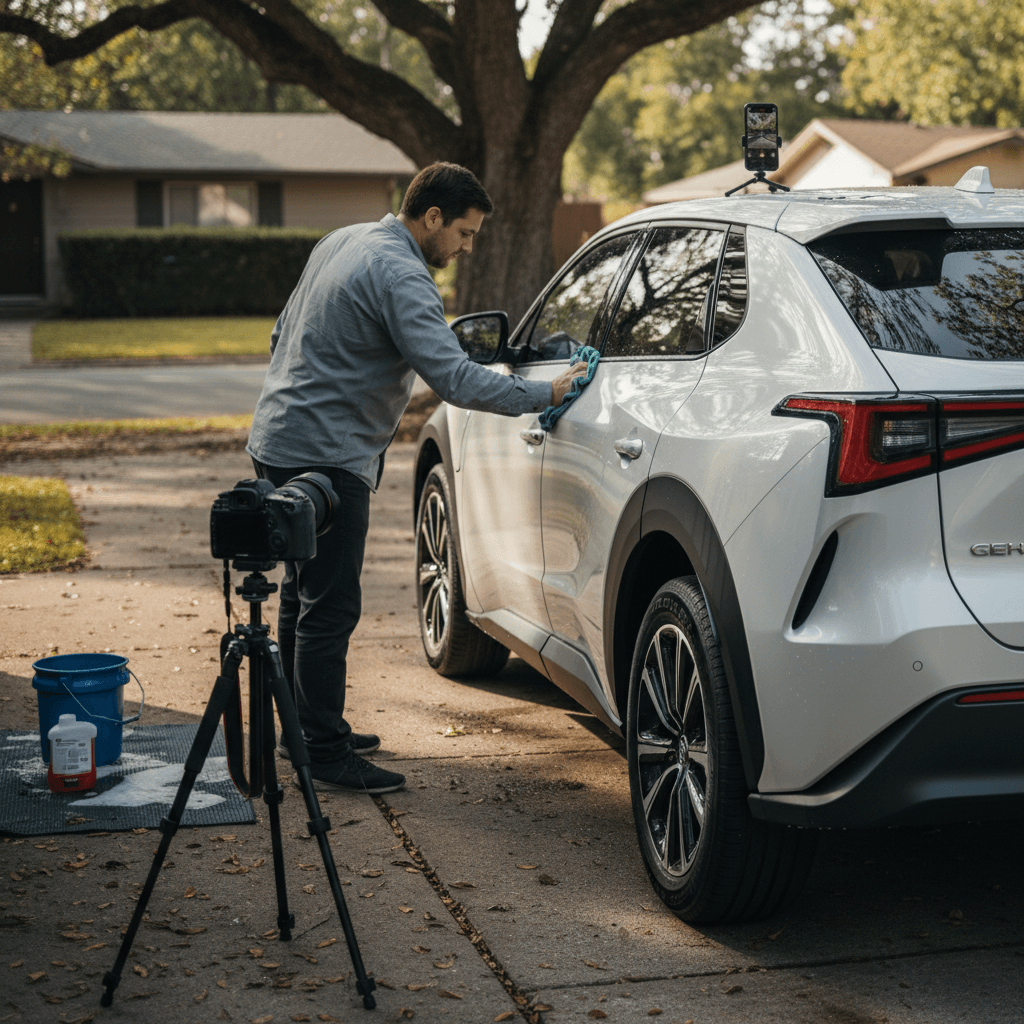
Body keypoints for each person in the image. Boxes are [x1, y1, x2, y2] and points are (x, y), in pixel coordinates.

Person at [246, 162, 587, 795]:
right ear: (431, 217)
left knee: (301, 593)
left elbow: (278, 334)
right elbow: (455, 379)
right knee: (330, 607)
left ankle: (303, 727)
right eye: (464, 233)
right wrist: (545, 392)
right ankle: (322, 751)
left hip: (275, 441)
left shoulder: (342, 240)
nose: (465, 248)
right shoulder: (402, 272)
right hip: (326, 457)